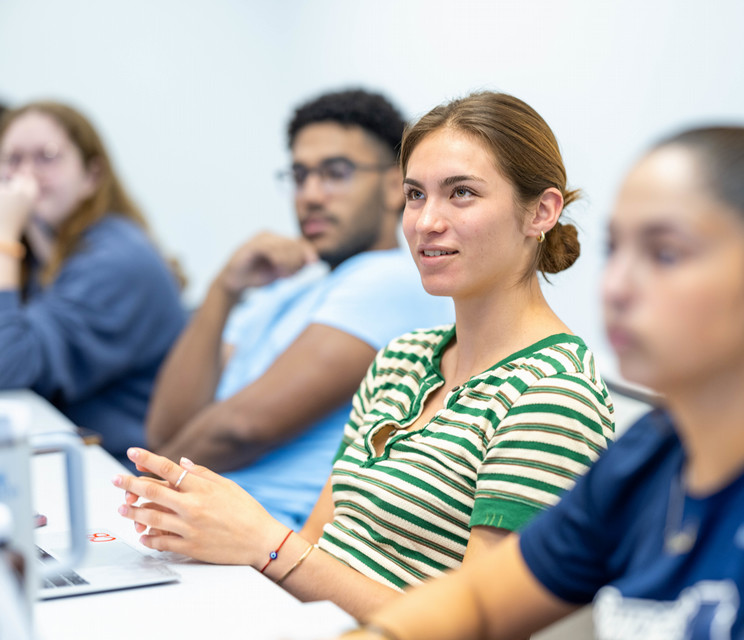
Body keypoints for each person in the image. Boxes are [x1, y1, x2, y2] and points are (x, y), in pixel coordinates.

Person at [342, 126, 744, 640]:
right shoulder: (654, 453)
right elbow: (477, 603)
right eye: (617, 249)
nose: (616, 287)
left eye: (665, 254)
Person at [113, 91, 615, 619]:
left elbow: (474, 628)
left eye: (461, 193)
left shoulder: (554, 394)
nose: (426, 222)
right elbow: (320, 541)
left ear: (541, 211)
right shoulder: (403, 359)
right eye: (416, 195)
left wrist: (264, 543)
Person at [143, 89, 453, 529]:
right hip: (202, 522)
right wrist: (223, 289)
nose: (309, 195)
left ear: (392, 186)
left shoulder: (389, 280)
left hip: (269, 543)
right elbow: (164, 428)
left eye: (334, 173)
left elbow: (243, 428)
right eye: (300, 175)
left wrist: (148, 482)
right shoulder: (289, 290)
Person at [0, 101, 186, 464]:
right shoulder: (44, 257)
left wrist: (3, 234)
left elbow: (8, 365)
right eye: (12, 159)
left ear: (92, 175)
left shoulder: (115, 260)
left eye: (47, 157)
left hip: (122, 472)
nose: (25, 176)